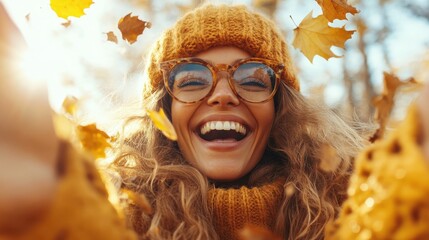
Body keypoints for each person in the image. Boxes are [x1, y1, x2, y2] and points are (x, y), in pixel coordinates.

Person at [0, 3, 428, 240]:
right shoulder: (120, 216)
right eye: (190, 78)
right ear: (163, 110)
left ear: (282, 107)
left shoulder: (346, 204)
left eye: (252, 77)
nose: (223, 94)